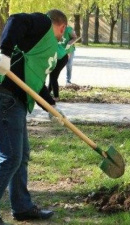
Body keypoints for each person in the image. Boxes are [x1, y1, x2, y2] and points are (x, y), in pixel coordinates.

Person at [0, 9, 67, 223]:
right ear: (63, 27)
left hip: (16, 99)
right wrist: (4, 52)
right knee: (11, 156)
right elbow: (16, 20)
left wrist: (52, 108)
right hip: (6, 95)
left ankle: (22, 207)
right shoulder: (43, 24)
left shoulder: (41, 49)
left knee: (22, 156)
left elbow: (35, 83)